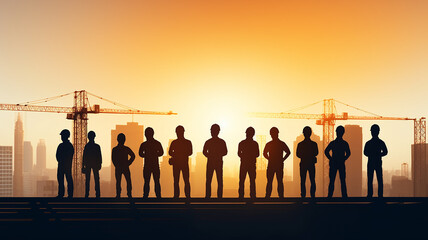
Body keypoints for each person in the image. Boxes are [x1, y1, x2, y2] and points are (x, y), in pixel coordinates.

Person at [263, 127, 290, 199]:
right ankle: (280, 196)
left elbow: (264, 153)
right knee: (279, 181)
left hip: (272, 164)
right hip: (278, 164)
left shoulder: (269, 144)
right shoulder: (281, 143)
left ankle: (268, 196)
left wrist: (269, 159)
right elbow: (288, 152)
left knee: (271, 181)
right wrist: (282, 159)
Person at [324, 126, 351, 198]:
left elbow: (326, 151)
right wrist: (344, 158)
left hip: (334, 163)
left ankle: (330, 196)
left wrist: (331, 158)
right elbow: (348, 153)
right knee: (341, 181)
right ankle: (344, 196)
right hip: (340, 163)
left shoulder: (333, 143)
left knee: (333, 181)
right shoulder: (344, 143)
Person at [203, 124, 228, 199]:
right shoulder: (220, 142)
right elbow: (204, 151)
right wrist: (214, 155)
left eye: (212, 130)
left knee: (214, 180)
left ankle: (210, 196)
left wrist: (212, 155)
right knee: (216, 180)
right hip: (216, 162)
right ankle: (217, 196)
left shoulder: (210, 142)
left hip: (214, 162)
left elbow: (225, 152)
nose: (212, 132)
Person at [139, 127, 164, 199]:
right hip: (154, 165)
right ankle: (158, 196)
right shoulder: (157, 143)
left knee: (147, 181)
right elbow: (161, 152)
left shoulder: (144, 144)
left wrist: (147, 155)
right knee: (155, 181)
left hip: (148, 165)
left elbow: (140, 153)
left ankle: (146, 196)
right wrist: (155, 154)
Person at [364, 124, 388, 198]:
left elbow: (365, 152)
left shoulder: (369, 143)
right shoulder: (380, 142)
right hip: (377, 162)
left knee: (371, 179)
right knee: (379, 179)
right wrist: (378, 155)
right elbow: (385, 152)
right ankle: (379, 195)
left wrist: (373, 154)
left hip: (372, 162)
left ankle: (370, 195)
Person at [169, 126, 193, 198]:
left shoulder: (175, 142)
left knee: (181, 180)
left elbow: (170, 152)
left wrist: (177, 154)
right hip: (182, 163)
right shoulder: (187, 142)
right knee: (183, 180)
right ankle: (186, 196)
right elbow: (190, 152)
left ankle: (179, 195)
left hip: (180, 164)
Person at [296, 126, 319, 198]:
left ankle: (303, 195)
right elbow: (316, 153)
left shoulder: (300, 144)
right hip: (311, 163)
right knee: (312, 180)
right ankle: (312, 195)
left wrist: (304, 156)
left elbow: (298, 154)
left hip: (303, 163)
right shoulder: (314, 144)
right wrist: (310, 155)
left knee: (303, 180)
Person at [238, 127, 259, 199]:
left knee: (243, 181)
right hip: (250, 164)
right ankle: (252, 196)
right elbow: (257, 154)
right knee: (251, 181)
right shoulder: (255, 144)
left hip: (244, 164)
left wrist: (244, 157)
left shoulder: (242, 143)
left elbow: (239, 153)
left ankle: (241, 196)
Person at [112, 133, 135, 198]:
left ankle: (119, 194)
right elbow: (133, 156)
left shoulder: (115, 149)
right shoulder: (126, 149)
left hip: (119, 167)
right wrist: (128, 163)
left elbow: (113, 159)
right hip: (125, 167)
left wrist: (117, 165)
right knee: (127, 181)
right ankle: (129, 194)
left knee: (119, 181)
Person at [82, 131, 102, 198]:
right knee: (96, 179)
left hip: (88, 164)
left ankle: (87, 194)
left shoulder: (87, 146)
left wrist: (83, 166)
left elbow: (84, 156)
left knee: (88, 180)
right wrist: (100, 164)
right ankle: (97, 194)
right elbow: (99, 156)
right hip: (95, 164)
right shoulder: (96, 146)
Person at [56, 129, 74, 198]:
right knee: (66, 179)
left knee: (63, 180)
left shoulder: (62, 146)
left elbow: (57, 156)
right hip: (66, 165)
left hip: (63, 165)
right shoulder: (69, 146)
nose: (61, 137)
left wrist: (61, 161)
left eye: (62, 136)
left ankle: (62, 194)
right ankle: (69, 194)